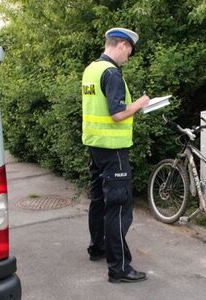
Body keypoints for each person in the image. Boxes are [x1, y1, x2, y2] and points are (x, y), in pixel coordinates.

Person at [81, 27, 150, 283]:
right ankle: (119, 268)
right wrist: (139, 104)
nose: (128, 57)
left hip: (95, 146)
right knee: (119, 208)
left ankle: (97, 247)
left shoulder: (91, 69)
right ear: (120, 45)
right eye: (129, 51)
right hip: (114, 150)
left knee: (99, 200)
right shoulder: (111, 73)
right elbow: (117, 113)